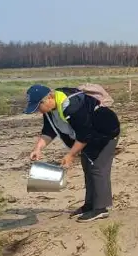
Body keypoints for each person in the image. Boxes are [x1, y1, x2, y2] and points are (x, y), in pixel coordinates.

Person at [24, 84, 121, 222]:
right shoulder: (50, 110)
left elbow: (84, 134)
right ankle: (90, 205)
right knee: (88, 166)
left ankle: (101, 208)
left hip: (106, 132)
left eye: (39, 106)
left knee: (98, 167)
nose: (39, 111)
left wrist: (70, 154)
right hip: (90, 135)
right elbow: (48, 131)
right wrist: (38, 148)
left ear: (49, 98)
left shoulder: (72, 106)